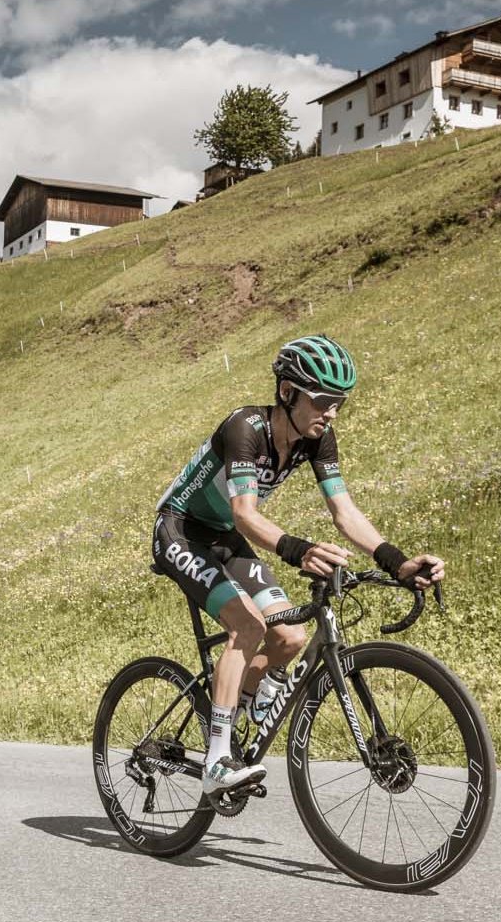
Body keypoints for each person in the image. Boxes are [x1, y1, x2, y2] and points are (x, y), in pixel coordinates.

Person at [151, 335, 444, 796]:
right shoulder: (244, 428)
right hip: (181, 530)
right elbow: (246, 513)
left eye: (339, 403)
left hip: (224, 536)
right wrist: (298, 549)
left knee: (289, 636)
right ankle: (216, 761)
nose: (331, 413)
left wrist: (398, 562)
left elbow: (344, 512)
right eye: (323, 401)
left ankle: (236, 703)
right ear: (287, 393)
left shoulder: (317, 439)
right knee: (247, 628)